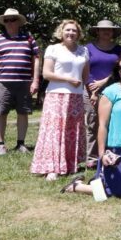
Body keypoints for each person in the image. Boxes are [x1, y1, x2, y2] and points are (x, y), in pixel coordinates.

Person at [62, 55, 121, 198]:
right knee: (115, 193)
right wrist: (102, 154)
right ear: (117, 71)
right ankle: (78, 186)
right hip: (116, 150)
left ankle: (99, 183)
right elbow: (102, 126)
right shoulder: (110, 92)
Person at [31, 19, 89, 181]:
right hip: (56, 95)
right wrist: (68, 79)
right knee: (55, 130)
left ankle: (70, 165)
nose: (71, 33)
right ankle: (51, 167)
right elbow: (47, 74)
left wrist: (83, 87)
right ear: (61, 32)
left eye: (74, 31)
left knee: (72, 131)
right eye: (67, 30)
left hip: (76, 96)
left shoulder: (83, 51)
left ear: (79, 34)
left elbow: (85, 76)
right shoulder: (53, 49)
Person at [0, 8, 41, 156]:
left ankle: (21, 144)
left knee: (23, 113)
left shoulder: (29, 38)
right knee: (1, 113)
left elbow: (36, 60)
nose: (9, 22)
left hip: (24, 82)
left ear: (19, 22)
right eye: (7, 20)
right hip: (2, 82)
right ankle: (1, 145)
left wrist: (35, 81)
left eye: (13, 19)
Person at [83, 20, 121, 168]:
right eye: (103, 30)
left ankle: (111, 152)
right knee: (93, 124)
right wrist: (93, 89)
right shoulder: (88, 48)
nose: (106, 32)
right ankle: (93, 157)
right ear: (97, 32)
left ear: (113, 32)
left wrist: (104, 82)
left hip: (113, 91)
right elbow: (84, 70)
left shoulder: (119, 50)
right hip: (90, 91)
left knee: (112, 123)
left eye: (109, 30)